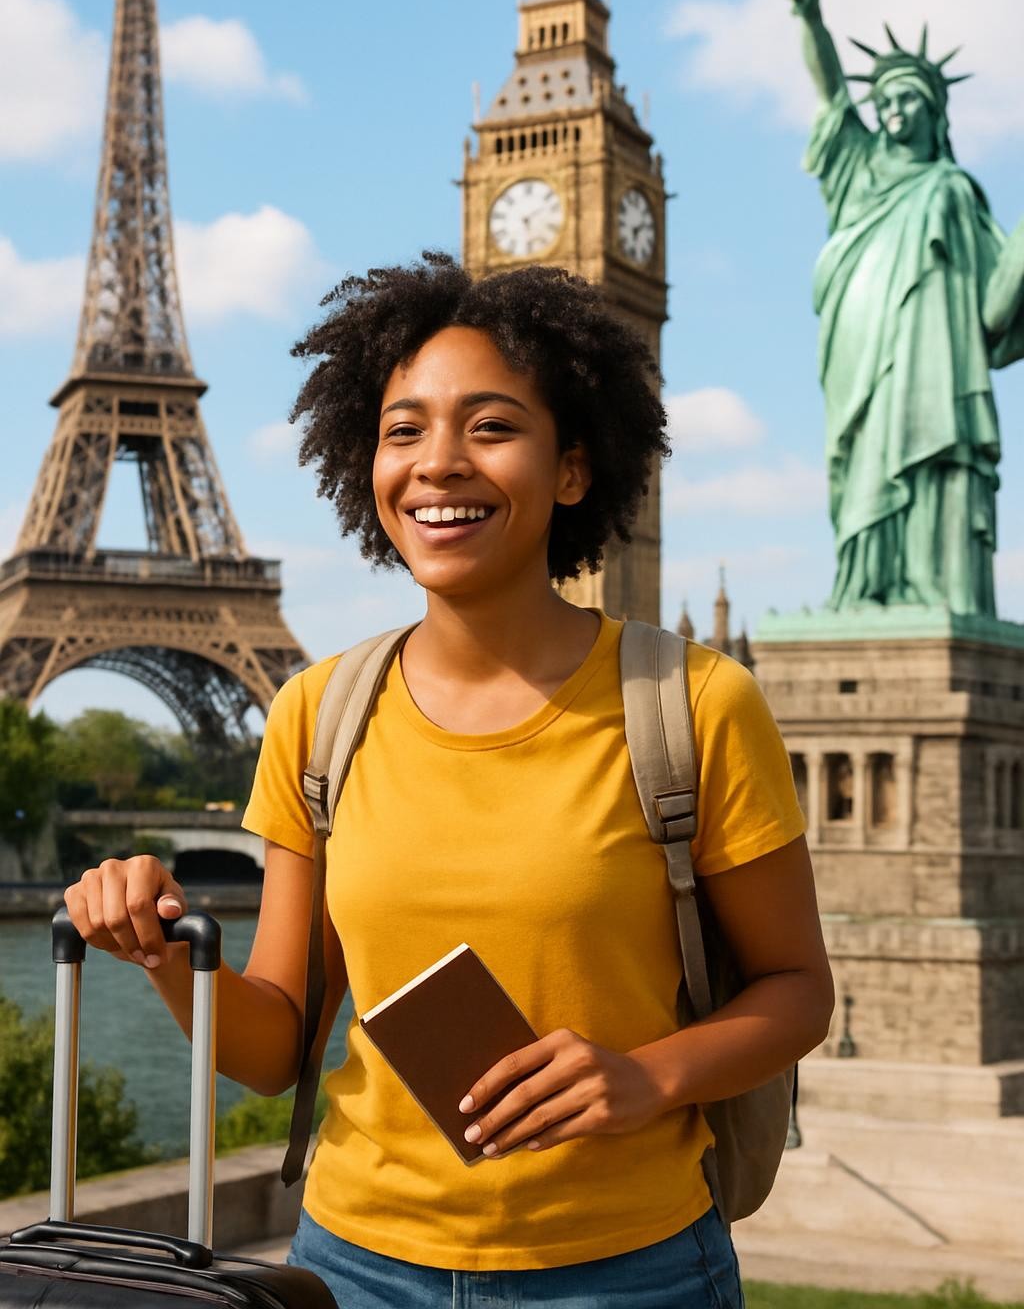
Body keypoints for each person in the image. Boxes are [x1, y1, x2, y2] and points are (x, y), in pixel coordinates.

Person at [64, 254, 834, 1309]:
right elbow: (276, 1043)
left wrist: (646, 1077)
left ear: (572, 468)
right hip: (355, 1262)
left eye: (491, 426)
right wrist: (160, 948)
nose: (439, 462)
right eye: (404, 428)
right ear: (363, 461)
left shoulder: (694, 704)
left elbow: (798, 992)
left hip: (627, 1271)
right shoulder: (317, 715)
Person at [785, 0, 1024, 618]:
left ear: (933, 112)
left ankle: (932, 588)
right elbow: (831, 87)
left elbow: (996, 307)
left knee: (932, 462)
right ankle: (866, 589)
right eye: (883, 98)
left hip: (935, 360)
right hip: (857, 350)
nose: (892, 108)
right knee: (863, 464)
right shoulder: (857, 169)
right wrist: (810, 12)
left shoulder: (953, 188)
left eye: (908, 99)